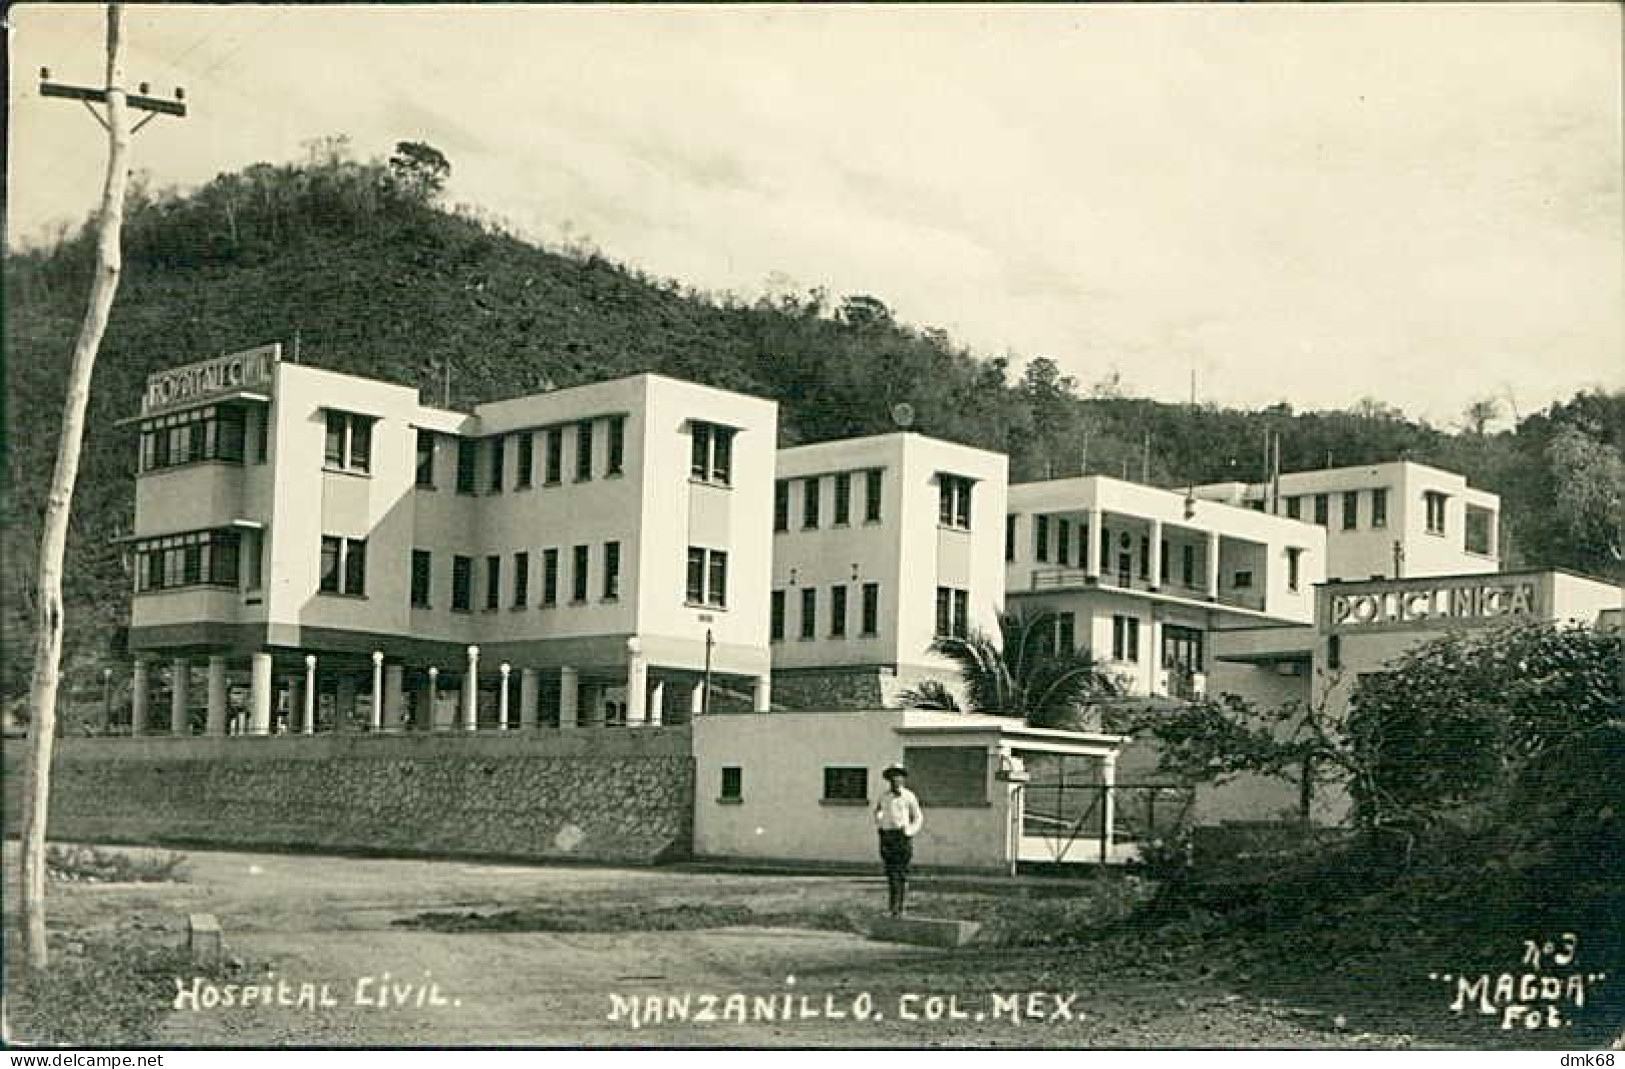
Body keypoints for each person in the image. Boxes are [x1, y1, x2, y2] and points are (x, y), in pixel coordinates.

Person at [873, 763, 923, 916]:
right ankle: (892, 908)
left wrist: (909, 831)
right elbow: (878, 811)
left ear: (903, 779)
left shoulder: (909, 796)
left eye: (898, 776)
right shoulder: (884, 797)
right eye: (892, 777)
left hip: (902, 837)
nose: (895, 780)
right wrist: (881, 824)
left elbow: (918, 817)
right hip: (888, 837)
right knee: (891, 873)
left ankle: (900, 907)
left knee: (901, 873)